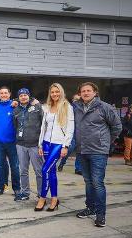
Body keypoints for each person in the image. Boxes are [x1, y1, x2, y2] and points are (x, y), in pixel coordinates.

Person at [74, 82, 122, 227]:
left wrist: (105, 142)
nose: (86, 93)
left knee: (97, 183)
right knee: (88, 182)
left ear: (95, 92)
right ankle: (91, 208)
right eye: (83, 91)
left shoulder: (104, 107)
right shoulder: (76, 107)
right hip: (82, 151)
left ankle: (100, 214)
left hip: (98, 152)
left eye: (89, 90)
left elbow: (117, 127)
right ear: (80, 93)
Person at [35, 83, 74, 212]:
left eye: (57, 92)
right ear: (50, 94)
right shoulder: (47, 107)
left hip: (58, 144)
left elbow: (70, 128)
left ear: (61, 92)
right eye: (52, 92)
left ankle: (42, 198)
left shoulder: (67, 106)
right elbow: (43, 128)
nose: (55, 94)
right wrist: (40, 144)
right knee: (51, 172)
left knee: (45, 169)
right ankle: (54, 198)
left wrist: (65, 146)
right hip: (46, 142)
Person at [0, 86, 22, 200]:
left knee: (15, 167)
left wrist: (17, 103)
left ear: (10, 94)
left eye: (6, 93)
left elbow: (28, 103)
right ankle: (0, 187)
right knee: (0, 166)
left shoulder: (15, 105)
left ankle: (16, 188)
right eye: (1, 93)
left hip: (13, 142)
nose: (4, 95)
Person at [13, 88, 44, 200]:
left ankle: (41, 193)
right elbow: (15, 125)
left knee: (38, 171)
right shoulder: (16, 109)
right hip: (21, 144)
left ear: (29, 96)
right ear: (19, 97)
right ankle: (25, 193)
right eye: (21, 95)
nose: (23, 97)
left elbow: (44, 123)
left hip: (35, 144)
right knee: (23, 170)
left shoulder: (37, 107)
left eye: (25, 95)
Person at [58, 93, 82, 174]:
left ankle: (78, 168)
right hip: (72, 132)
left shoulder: (83, 108)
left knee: (80, 151)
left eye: (78, 100)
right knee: (69, 149)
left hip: (81, 132)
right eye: (75, 100)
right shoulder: (70, 107)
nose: (76, 102)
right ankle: (62, 163)